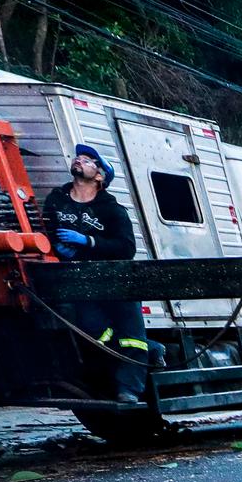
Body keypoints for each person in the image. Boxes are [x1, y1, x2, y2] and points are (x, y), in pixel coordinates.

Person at [40, 143, 146, 406]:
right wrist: (55, 248)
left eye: (88, 160)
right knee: (93, 330)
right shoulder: (56, 200)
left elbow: (126, 248)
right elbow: (44, 231)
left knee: (133, 336)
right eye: (79, 157)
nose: (80, 160)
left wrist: (88, 242)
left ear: (99, 176)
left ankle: (129, 389)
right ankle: (152, 352)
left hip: (117, 282)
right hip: (79, 283)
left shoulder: (112, 210)